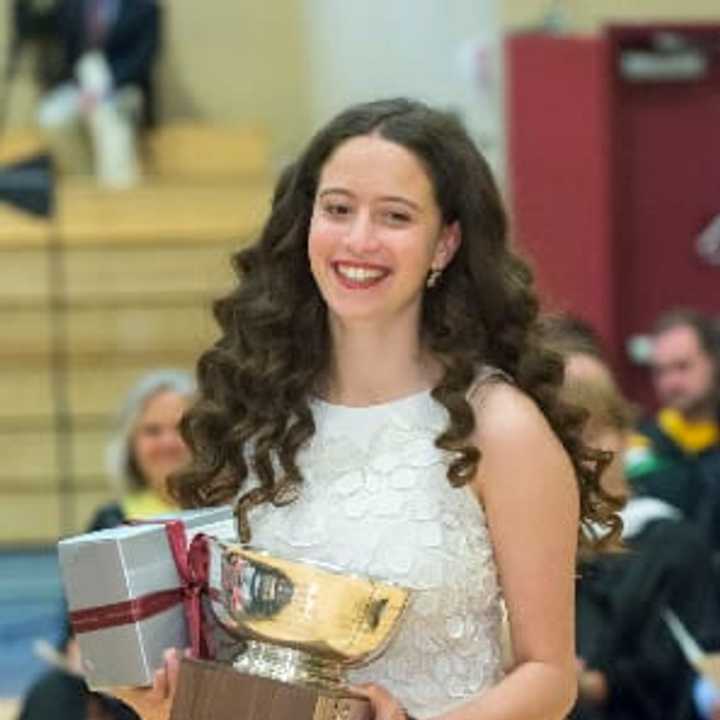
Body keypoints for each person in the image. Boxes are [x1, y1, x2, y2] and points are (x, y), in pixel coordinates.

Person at [112, 98, 620, 720]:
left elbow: (548, 677)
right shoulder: (259, 412)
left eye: (395, 216)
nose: (359, 240)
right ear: (306, 224)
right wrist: (168, 699)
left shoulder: (501, 428)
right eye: (338, 209)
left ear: (445, 243)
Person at [545, 315, 716, 720]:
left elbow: (682, 673)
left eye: (596, 430)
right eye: (565, 436)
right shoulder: (521, 541)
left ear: (625, 435)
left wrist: (592, 684)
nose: (584, 453)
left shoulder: (669, 541)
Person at [36, 0, 161, 186]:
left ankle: (118, 183)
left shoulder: (144, 8)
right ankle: (84, 180)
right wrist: (82, 87)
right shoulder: (70, 6)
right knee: (51, 115)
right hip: (80, 84)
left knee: (109, 114)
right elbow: (63, 52)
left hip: (122, 85)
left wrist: (105, 87)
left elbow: (143, 57)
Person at [627, 309, 720, 551]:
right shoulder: (640, 447)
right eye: (660, 371)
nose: (670, 383)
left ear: (714, 362)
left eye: (682, 367)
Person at [88, 368, 195, 531]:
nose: (168, 443)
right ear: (130, 444)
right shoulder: (109, 524)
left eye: (182, 428)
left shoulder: (233, 516)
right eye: (153, 431)